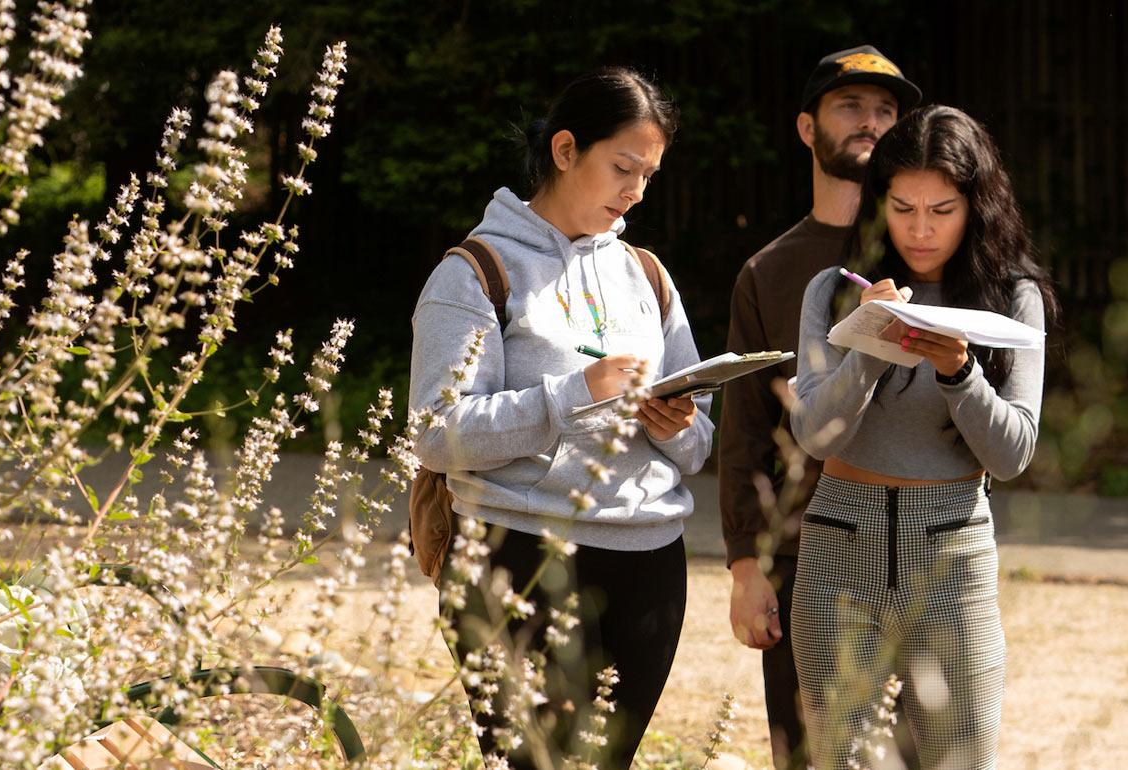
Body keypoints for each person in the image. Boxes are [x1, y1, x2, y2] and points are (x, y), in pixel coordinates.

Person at [408, 67, 710, 769]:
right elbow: (435, 432)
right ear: (566, 150)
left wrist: (680, 427)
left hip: (650, 564)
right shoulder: (475, 270)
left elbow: (700, 441)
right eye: (623, 166)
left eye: (650, 174)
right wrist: (573, 396)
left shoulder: (645, 273)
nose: (636, 190)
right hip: (518, 558)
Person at [789, 104, 1054, 770]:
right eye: (903, 208)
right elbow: (815, 435)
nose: (921, 229)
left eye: (942, 210)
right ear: (878, 204)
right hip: (837, 549)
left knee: (959, 759)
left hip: (953, 550)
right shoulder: (831, 290)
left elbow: (1013, 453)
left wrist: (959, 369)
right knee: (841, 761)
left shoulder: (1012, 295)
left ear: (977, 205)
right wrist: (873, 342)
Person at [716, 44, 920, 770]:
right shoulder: (768, 273)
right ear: (807, 128)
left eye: (887, 111)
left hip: (923, 551)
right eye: (851, 107)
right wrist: (746, 564)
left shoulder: (928, 251)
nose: (872, 122)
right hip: (806, 555)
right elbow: (743, 431)